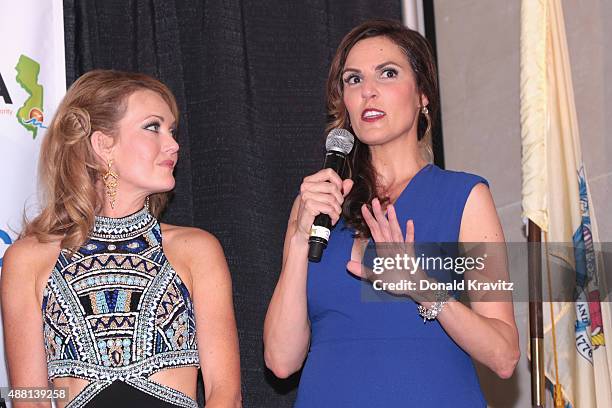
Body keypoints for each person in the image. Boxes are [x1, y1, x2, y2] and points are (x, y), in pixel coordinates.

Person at [263, 19, 520, 407]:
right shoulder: (315, 202)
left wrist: (423, 288)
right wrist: (300, 238)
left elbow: (504, 355)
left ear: (422, 96)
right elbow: (281, 362)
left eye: (387, 74)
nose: (368, 91)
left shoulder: (466, 197)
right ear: (343, 104)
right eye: (353, 80)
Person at [0, 70, 241, 408]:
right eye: (153, 127)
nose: (173, 144)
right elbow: (29, 397)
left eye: (171, 131)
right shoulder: (27, 259)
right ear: (103, 144)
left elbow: (225, 394)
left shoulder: (196, 250)